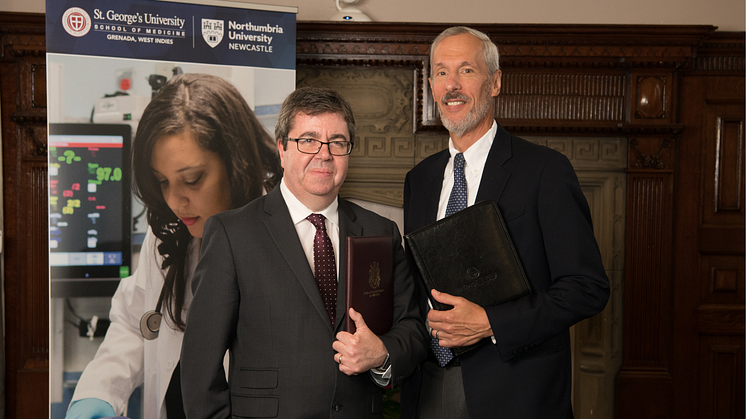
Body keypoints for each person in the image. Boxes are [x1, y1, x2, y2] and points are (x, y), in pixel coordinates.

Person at [400, 27, 611, 419]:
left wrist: (490, 323)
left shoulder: (545, 171)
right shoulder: (420, 179)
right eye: (442, 73)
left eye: (466, 70)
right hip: (428, 389)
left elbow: (587, 288)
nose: (452, 86)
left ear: (495, 82)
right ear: (430, 85)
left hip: (517, 393)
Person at [180, 86, 428, 419]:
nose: (324, 154)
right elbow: (200, 366)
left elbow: (412, 330)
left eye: (337, 142)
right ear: (282, 149)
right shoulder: (232, 233)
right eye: (308, 140)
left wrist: (382, 353)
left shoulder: (381, 232)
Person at [66, 73, 281, 419]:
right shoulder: (170, 232)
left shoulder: (285, 239)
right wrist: (100, 393)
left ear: (236, 163)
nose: (175, 201)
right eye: (163, 182)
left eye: (192, 179)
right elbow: (137, 322)